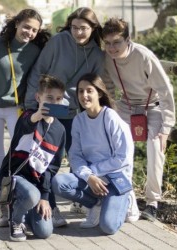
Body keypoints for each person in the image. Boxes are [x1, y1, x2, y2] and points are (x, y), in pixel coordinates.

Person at [0, 9, 51, 227]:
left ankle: (20, 203)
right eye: (26, 27)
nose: (29, 32)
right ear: (16, 24)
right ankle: (2, 205)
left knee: (20, 157)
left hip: (18, 110)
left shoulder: (36, 51)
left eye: (34, 30)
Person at [25, 7, 104, 216]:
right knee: (50, 158)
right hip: (50, 106)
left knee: (78, 155)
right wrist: (31, 104)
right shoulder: (59, 41)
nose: (78, 32)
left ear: (93, 28)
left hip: (76, 111)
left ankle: (78, 199)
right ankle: (49, 204)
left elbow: (96, 87)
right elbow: (39, 69)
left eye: (83, 28)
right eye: (74, 27)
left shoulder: (97, 54)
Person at [101, 18, 176, 221]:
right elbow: (107, 86)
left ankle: (152, 202)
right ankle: (122, 193)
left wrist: (167, 127)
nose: (112, 48)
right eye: (107, 43)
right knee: (114, 144)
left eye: (116, 42)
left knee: (155, 146)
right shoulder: (107, 58)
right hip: (125, 104)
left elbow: (166, 91)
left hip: (153, 106)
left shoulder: (143, 56)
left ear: (128, 39)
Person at [52, 73, 135, 234]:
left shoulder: (111, 117)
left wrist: (93, 172)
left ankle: (126, 200)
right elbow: (75, 156)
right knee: (58, 182)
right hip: (91, 178)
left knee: (108, 227)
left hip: (115, 179)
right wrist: (89, 177)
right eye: (81, 91)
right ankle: (95, 204)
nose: (84, 95)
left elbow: (123, 157)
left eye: (89, 90)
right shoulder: (78, 120)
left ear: (100, 93)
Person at [0, 75, 66, 241]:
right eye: (49, 98)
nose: (54, 103)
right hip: (13, 177)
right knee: (31, 195)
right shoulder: (28, 116)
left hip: (35, 184)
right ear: (38, 97)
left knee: (44, 232)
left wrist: (45, 197)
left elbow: (52, 167)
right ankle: (16, 220)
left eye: (58, 99)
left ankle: (24, 208)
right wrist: (38, 115)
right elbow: (25, 125)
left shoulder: (60, 130)